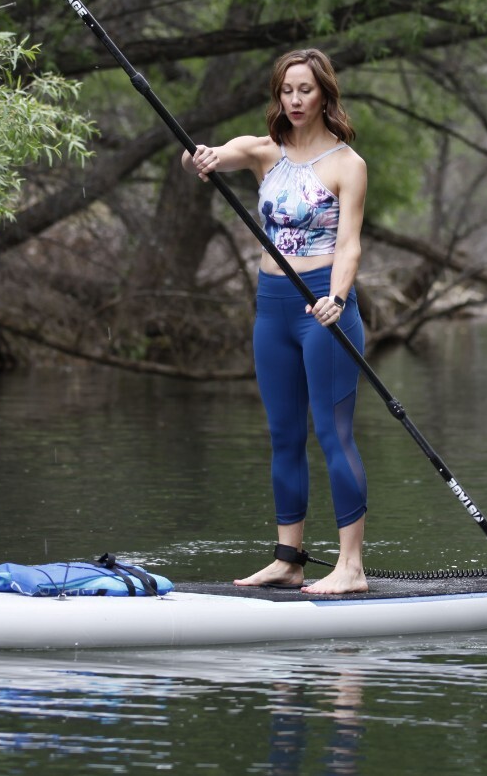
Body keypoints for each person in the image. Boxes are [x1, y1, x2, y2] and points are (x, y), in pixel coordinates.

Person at [183, 48, 370, 594]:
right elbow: (216, 154)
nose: (294, 100)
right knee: (283, 434)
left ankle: (351, 567)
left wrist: (338, 296)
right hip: (273, 307)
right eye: (286, 90)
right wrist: (202, 158)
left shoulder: (347, 164)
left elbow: (351, 244)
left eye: (305, 90)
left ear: (324, 95)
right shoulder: (264, 152)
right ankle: (289, 559)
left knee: (332, 434)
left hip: (323, 307)